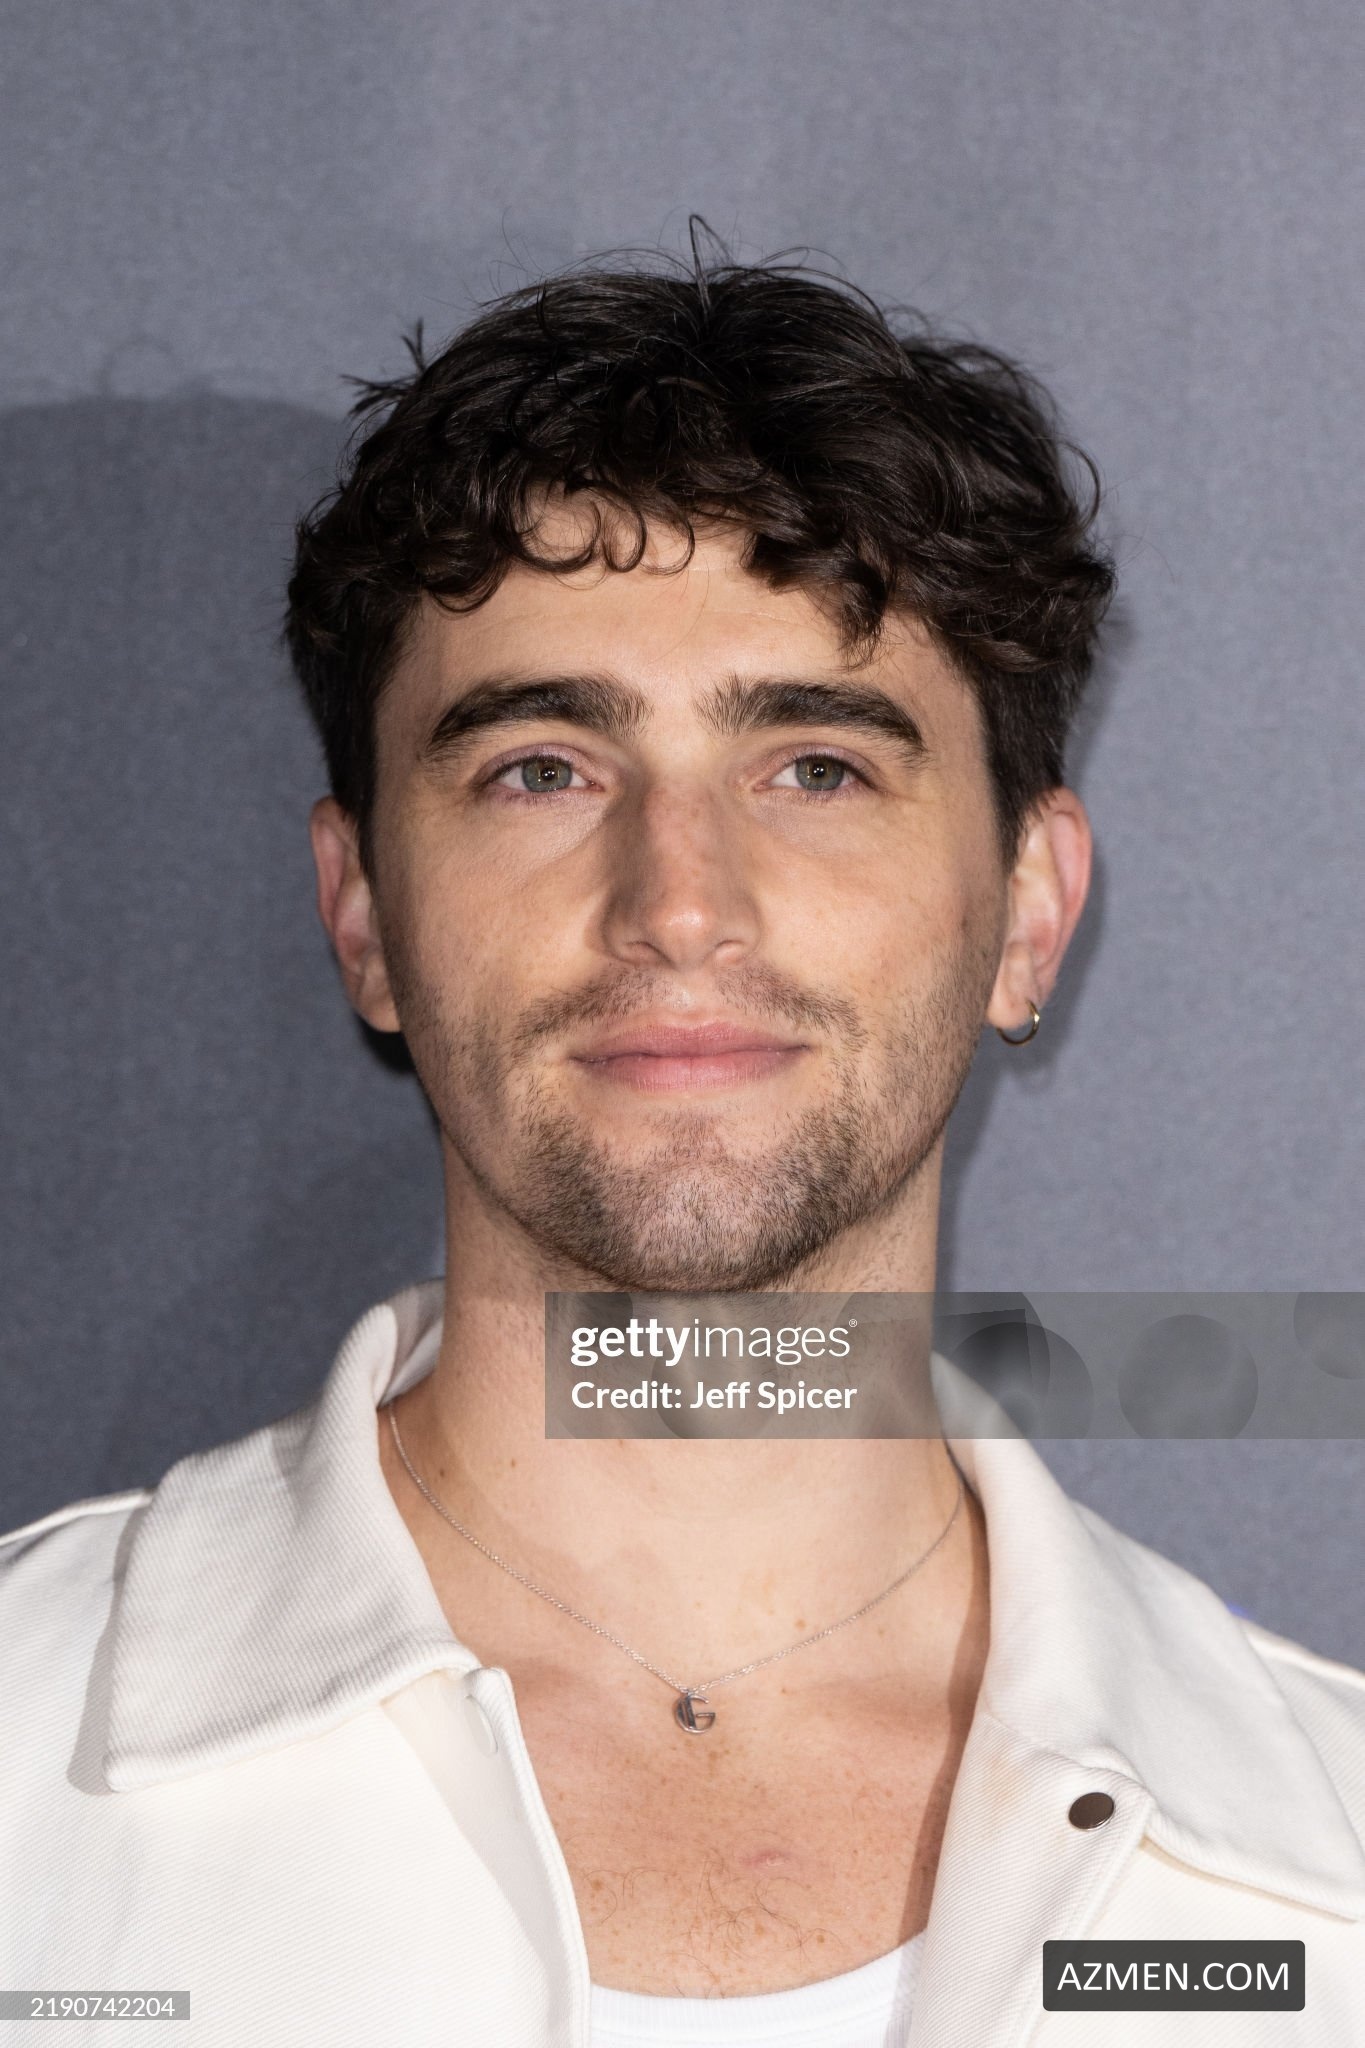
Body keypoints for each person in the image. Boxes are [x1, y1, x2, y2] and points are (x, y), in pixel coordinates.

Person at [3, 240, 1362, 2048]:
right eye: (540, 768)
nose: (679, 904)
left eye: (816, 767)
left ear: (1028, 912)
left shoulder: (1326, 1883)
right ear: (364, 917)